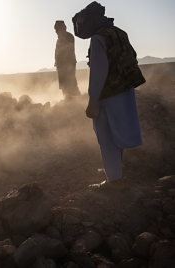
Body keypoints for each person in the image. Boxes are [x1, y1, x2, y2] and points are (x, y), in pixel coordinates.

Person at [72, 1, 145, 190]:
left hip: (107, 95)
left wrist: (93, 101)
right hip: (125, 91)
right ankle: (114, 170)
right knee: (118, 132)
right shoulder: (120, 32)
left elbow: (98, 73)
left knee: (106, 136)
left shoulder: (98, 38)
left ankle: (114, 182)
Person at [54, 20, 81, 99]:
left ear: (63, 28)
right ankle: (67, 100)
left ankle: (77, 99)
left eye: (58, 29)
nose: (57, 32)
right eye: (56, 30)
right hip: (61, 65)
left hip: (68, 64)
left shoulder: (69, 37)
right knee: (63, 84)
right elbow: (57, 51)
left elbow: (67, 50)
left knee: (70, 82)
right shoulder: (59, 39)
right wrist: (56, 61)